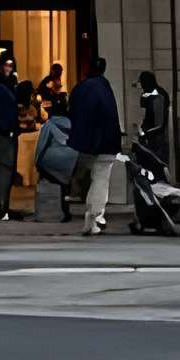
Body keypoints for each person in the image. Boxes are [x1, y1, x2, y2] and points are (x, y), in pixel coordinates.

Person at [66, 55, 123, 236]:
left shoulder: (81, 89)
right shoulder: (105, 88)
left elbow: (72, 111)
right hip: (105, 143)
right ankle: (95, 215)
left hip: (85, 143)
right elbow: (109, 116)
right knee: (100, 180)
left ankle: (91, 216)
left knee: (91, 179)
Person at [0, 51, 23, 220]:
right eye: (6, 65)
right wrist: (5, 128)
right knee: (5, 169)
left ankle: (4, 205)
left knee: (7, 169)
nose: (9, 68)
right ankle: (2, 206)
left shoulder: (7, 85)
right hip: (4, 133)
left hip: (9, 132)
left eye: (11, 65)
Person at [33, 95, 78, 222]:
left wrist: (37, 163)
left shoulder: (49, 124)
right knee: (64, 184)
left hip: (51, 161)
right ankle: (65, 210)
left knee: (47, 175)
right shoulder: (74, 124)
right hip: (71, 161)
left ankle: (47, 209)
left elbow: (41, 145)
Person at [137, 69, 172, 177]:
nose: (142, 87)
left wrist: (145, 134)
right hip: (152, 138)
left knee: (156, 171)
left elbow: (159, 124)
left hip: (157, 141)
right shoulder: (149, 95)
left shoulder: (158, 96)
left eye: (143, 84)